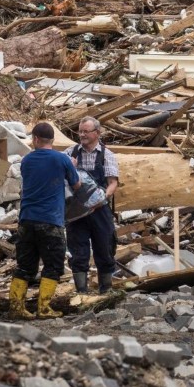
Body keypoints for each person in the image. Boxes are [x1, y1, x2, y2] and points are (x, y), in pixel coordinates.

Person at [9, 122, 80, 320]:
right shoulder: (62, 159)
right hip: (51, 221)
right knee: (53, 265)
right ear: (52, 140)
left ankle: (16, 307)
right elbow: (77, 185)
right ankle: (44, 307)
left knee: (25, 266)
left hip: (27, 219)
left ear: (36, 139)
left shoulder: (26, 160)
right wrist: (71, 167)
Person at [65, 117, 119, 294]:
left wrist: (102, 198)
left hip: (100, 210)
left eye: (86, 131)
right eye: (80, 131)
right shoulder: (70, 153)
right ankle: (81, 292)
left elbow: (113, 183)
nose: (82, 135)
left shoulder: (107, 155)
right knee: (78, 250)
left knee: (104, 248)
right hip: (76, 212)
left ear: (97, 133)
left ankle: (106, 290)